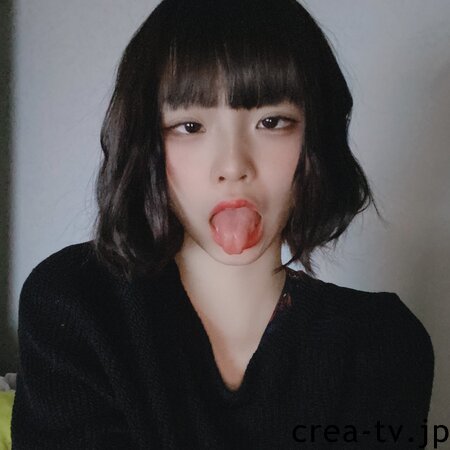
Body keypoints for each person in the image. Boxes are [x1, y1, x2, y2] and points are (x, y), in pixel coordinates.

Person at [11, 0, 434, 448]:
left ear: (315, 137)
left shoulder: (381, 345)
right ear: (146, 141)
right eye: (190, 127)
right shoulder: (77, 304)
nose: (233, 166)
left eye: (272, 122)